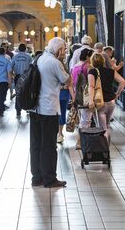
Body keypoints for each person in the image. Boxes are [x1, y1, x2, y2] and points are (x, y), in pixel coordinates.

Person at [30, 37, 70, 188]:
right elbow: (68, 80)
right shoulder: (55, 62)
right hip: (49, 109)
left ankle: (37, 177)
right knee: (48, 145)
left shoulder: (39, 59)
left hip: (35, 108)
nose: (65, 51)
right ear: (59, 49)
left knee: (36, 144)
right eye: (64, 49)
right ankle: (49, 179)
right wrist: (63, 61)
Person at [87, 53, 125, 141]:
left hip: (100, 102)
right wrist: (117, 93)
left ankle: (104, 148)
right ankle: (106, 146)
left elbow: (91, 86)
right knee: (107, 126)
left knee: (102, 128)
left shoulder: (92, 72)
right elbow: (122, 81)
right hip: (111, 102)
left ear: (92, 61)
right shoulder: (111, 71)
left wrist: (91, 101)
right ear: (103, 61)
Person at [72, 48, 93, 149]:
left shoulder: (75, 66)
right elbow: (91, 83)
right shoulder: (88, 66)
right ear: (88, 56)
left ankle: (82, 140)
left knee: (82, 118)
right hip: (86, 95)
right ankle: (80, 142)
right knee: (86, 120)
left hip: (77, 94)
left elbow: (72, 82)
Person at [57, 48, 75, 144]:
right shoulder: (65, 70)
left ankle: (58, 133)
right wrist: (73, 97)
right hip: (63, 95)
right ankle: (60, 133)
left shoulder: (54, 67)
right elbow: (70, 84)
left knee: (57, 114)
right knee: (62, 114)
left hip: (56, 95)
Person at [11, 43, 32, 117]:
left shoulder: (15, 57)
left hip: (18, 77)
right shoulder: (28, 56)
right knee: (27, 93)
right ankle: (27, 109)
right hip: (26, 77)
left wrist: (13, 75)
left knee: (18, 94)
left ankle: (18, 111)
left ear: (18, 49)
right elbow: (31, 67)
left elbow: (11, 67)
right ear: (25, 49)